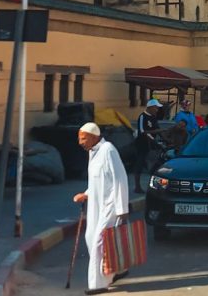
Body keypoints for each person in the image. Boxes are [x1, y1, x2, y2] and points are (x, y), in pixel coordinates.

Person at [73, 123, 130, 295]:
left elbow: (120, 179)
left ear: (93, 136)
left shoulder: (108, 150)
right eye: (79, 139)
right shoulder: (93, 152)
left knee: (99, 241)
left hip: (110, 206)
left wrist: (122, 209)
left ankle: (98, 284)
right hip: (96, 205)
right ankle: (115, 271)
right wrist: (86, 194)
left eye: (83, 138)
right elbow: (98, 181)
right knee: (91, 237)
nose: (80, 142)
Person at [133, 98, 163, 194]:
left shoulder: (154, 118)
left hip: (152, 144)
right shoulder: (143, 116)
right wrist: (157, 132)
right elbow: (143, 131)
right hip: (142, 144)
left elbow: (158, 130)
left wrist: (165, 138)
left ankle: (156, 187)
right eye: (156, 108)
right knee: (140, 164)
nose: (157, 110)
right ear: (150, 107)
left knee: (156, 165)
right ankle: (137, 187)